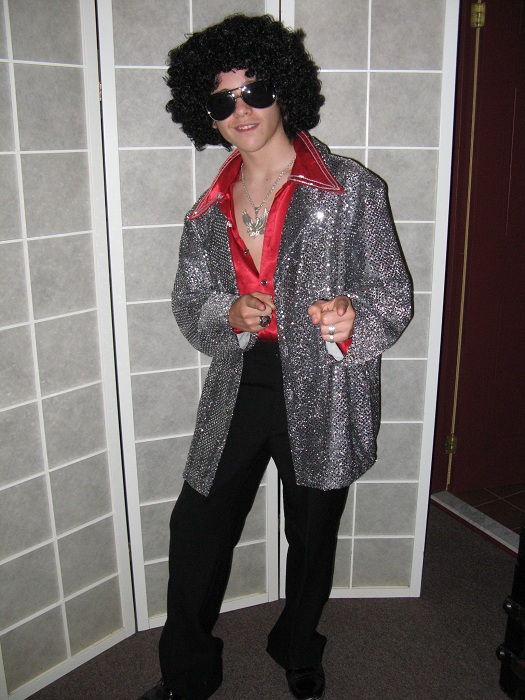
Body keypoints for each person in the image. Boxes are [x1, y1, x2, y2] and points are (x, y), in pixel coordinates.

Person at [140, 13, 412, 700]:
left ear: (283, 90)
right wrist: (225, 314)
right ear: (205, 114)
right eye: (221, 101)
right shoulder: (207, 210)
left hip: (324, 382)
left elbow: (391, 297)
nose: (241, 111)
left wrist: (352, 319)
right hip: (241, 380)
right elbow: (189, 302)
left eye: (254, 90)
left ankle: (296, 645)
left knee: (313, 535)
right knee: (196, 530)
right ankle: (186, 674)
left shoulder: (351, 189)